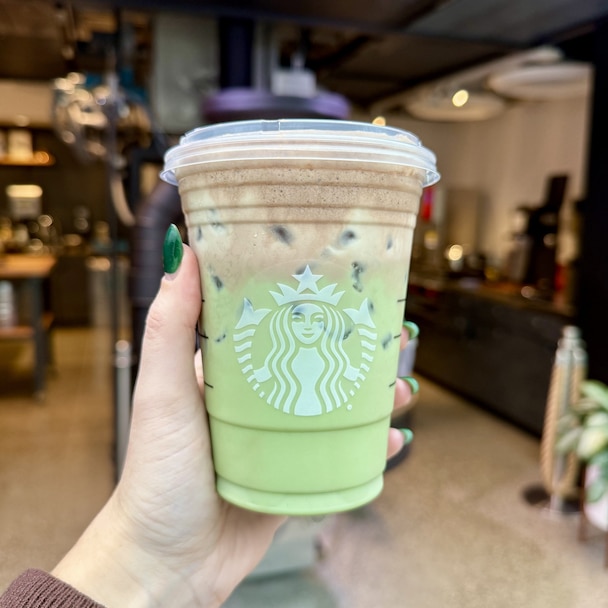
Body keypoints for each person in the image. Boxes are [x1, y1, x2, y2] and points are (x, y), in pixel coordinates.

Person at [0, 227, 419, 608]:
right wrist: (147, 552)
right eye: (296, 316)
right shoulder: (275, 363)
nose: (306, 325)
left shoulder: (329, 365)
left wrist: (141, 564)